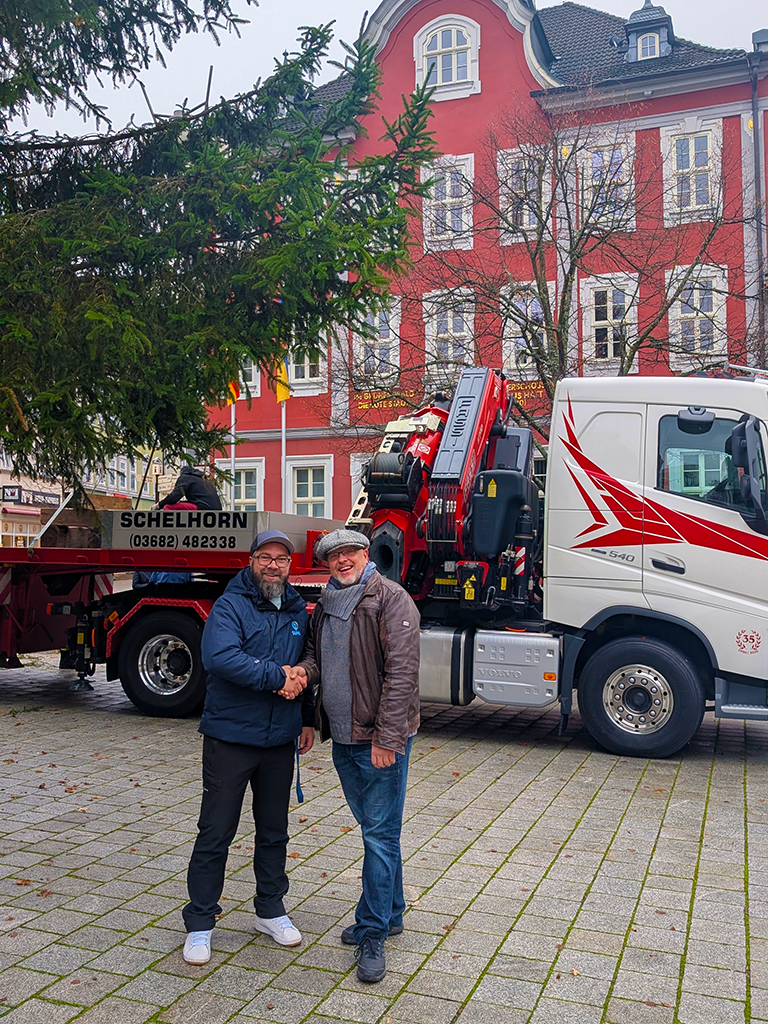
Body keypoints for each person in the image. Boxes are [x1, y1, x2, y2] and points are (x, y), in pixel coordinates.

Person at [181, 529, 314, 965]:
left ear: (290, 566)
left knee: (274, 831)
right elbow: (220, 658)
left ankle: (270, 911)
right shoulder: (230, 605)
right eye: (265, 557)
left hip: (279, 741)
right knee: (216, 830)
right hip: (231, 738)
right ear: (251, 561)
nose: (273, 565)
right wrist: (278, 678)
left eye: (281, 559)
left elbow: (306, 664)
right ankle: (200, 922)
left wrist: (307, 718)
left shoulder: (296, 609)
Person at [294, 528, 420, 984]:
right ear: (326, 564)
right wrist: (305, 698)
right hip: (343, 738)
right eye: (334, 556)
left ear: (367, 555)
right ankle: (392, 910)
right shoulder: (327, 603)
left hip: (377, 741)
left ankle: (372, 931)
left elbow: (402, 674)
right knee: (377, 831)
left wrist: (387, 739)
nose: (342, 560)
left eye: (350, 552)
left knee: (379, 836)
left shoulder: (391, 599)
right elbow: (315, 658)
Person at [156, 464, 222, 510]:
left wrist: (159, 505)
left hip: (203, 508)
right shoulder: (203, 479)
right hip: (214, 509)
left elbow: (174, 497)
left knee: (168, 507)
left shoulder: (185, 478)